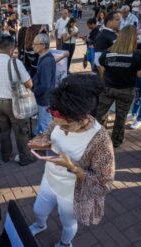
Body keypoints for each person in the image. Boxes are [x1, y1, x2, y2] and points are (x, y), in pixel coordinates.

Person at [28, 75, 115, 247]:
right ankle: (40, 225)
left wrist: (73, 168)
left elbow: (104, 183)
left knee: (67, 222)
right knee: (38, 210)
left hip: (72, 192)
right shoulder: (59, 120)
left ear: (81, 117)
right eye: (56, 123)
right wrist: (41, 141)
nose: (59, 128)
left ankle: (64, 243)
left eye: (65, 126)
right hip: (49, 179)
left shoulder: (100, 140)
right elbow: (49, 133)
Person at [0, 36, 36, 166]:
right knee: (20, 131)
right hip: (13, 103)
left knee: (4, 131)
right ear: (11, 49)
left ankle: (5, 155)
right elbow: (29, 84)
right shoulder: (15, 63)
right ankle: (25, 157)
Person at [96, 25, 141, 148]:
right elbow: (140, 74)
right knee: (121, 116)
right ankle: (116, 141)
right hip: (126, 90)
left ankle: (98, 138)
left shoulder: (107, 53)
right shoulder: (138, 55)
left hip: (108, 87)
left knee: (101, 114)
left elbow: (102, 69)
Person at [32, 33, 57, 135]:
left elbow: (45, 85)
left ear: (43, 45)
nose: (32, 46)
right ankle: (37, 136)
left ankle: (48, 148)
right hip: (44, 98)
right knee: (42, 121)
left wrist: (34, 91)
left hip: (44, 99)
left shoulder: (46, 61)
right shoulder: (44, 57)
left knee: (45, 124)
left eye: (35, 44)